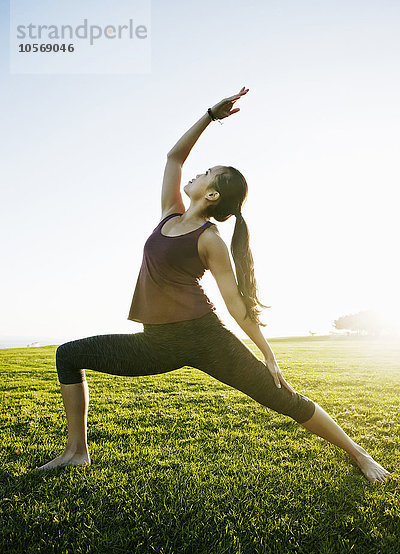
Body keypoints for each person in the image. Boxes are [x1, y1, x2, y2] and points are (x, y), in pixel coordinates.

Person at [37, 86, 391, 484]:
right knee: (69, 355)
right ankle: (76, 452)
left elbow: (236, 305)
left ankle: (360, 455)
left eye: (207, 173)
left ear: (211, 193)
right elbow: (174, 156)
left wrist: (268, 355)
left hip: (204, 337)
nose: (197, 171)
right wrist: (210, 115)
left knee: (281, 398)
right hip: (155, 343)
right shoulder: (169, 215)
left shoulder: (210, 240)